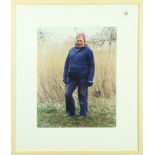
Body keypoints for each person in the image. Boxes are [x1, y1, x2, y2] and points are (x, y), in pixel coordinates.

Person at [63, 33, 95, 120]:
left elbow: (92, 66)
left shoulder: (88, 51)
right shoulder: (71, 50)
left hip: (83, 78)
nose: (79, 42)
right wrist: (64, 76)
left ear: (84, 41)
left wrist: (90, 79)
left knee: (82, 95)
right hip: (71, 77)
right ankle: (71, 111)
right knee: (67, 94)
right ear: (75, 41)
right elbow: (66, 64)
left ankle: (82, 113)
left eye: (81, 41)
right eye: (78, 40)